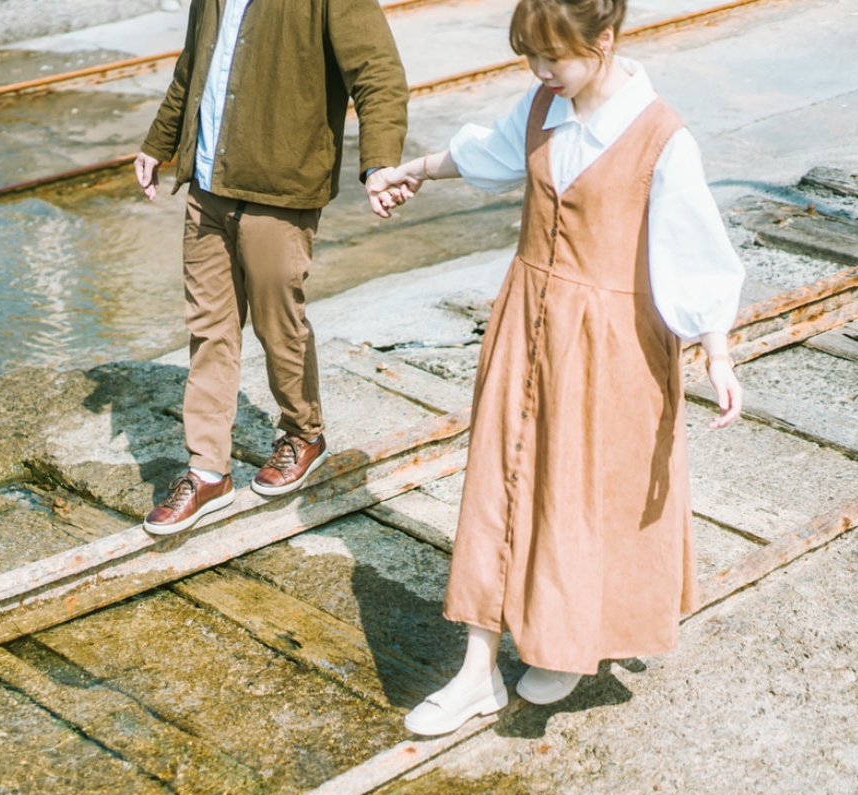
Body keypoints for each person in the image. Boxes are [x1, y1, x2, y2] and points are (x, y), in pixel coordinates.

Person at [373, 0, 745, 735]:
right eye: (532, 58)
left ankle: (568, 641)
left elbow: (695, 246)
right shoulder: (547, 103)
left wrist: (718, 348)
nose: (542, 72)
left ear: (603, 41)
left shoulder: (661, 136)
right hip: (527, 318)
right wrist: (413, 170)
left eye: (555, 58)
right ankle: (477, 672)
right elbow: (487, 153)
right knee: (498, 482)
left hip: (612, 342)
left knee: (579, 492)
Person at [134, 0, 410, 535]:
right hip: (206, 188)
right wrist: (159, 142)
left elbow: (378, 75)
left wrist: (379, 163)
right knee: (209, 329)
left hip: (279, 189)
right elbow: (193, 69)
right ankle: (208, 470)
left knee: (277, 322)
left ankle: (304, 434)